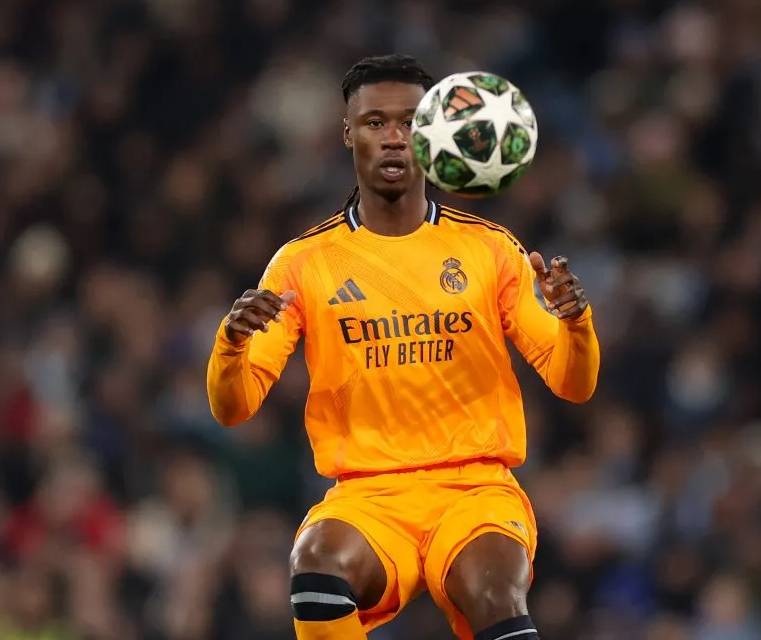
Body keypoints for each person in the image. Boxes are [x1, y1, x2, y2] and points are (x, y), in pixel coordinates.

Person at [206, 54, 601, 640]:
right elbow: (233, 408)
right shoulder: (302, 264)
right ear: (347, 133)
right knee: (316, 562)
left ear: (434, 132)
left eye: (410, 122)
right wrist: (233, 342)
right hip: (369, 496)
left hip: (476, 489)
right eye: (374, 123)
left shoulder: (490, 249)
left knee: (493, 591)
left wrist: (575, 323)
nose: (393, 138)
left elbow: (574, 383)